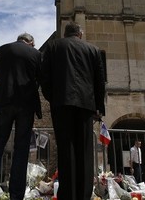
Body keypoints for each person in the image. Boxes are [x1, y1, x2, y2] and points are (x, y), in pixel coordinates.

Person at [41, 22, 106, 200]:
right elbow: (100, 81)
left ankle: (67, 195)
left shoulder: (54, 46)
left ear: (65, 33)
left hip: (61, 103)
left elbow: (44, 76)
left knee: (65, 148)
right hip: (86, 105)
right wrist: (99, 107)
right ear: (80, 34)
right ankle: (84, 195)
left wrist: (53, 98)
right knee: (84, 150)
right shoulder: (92, 49)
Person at [0, 33, 42, 200]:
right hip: (25, 104)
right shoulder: (36, 54)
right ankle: (16, 196)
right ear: (31, 42)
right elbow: (38, 79)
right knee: (21, 151)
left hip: (4, 101)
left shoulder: (3, 49)